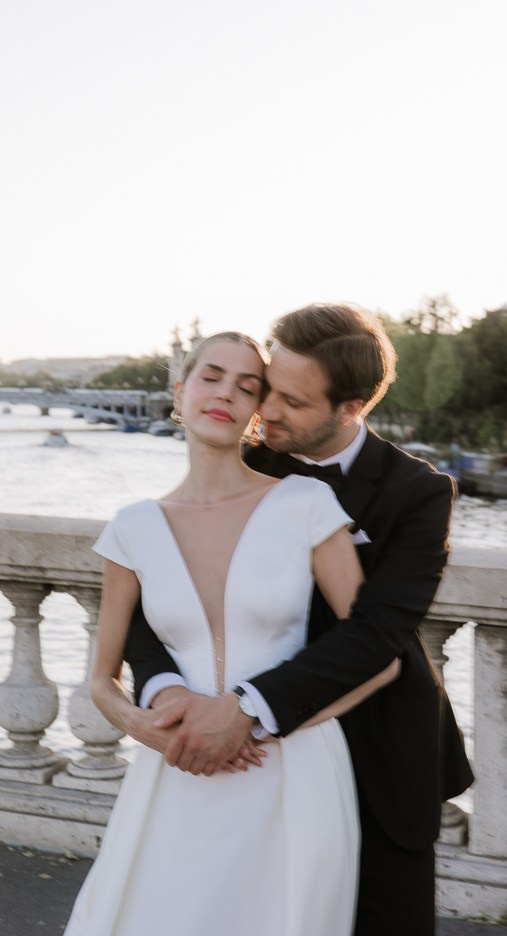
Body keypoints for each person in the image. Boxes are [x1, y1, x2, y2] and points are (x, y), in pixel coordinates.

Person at [125, 304, 474, 936]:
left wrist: (247, 709)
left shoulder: (417, 492)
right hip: (250, 764)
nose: (267, 411)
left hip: (381, 745)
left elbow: (376, 632)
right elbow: (155, 593)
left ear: (351, 409)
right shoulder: (243, 463)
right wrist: (164, 691)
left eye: (292, 400)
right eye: (268, 388)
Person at [65, 331, 399, 936]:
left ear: (255, 411)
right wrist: (143, 726)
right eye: (211, 377)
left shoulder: (306, 503)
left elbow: (380, 658)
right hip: (178, 770)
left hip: (292, 774)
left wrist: (262, 723)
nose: (226, 394)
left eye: (247, 387)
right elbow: (102, 679)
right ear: (180, 390)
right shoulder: (133, 528)